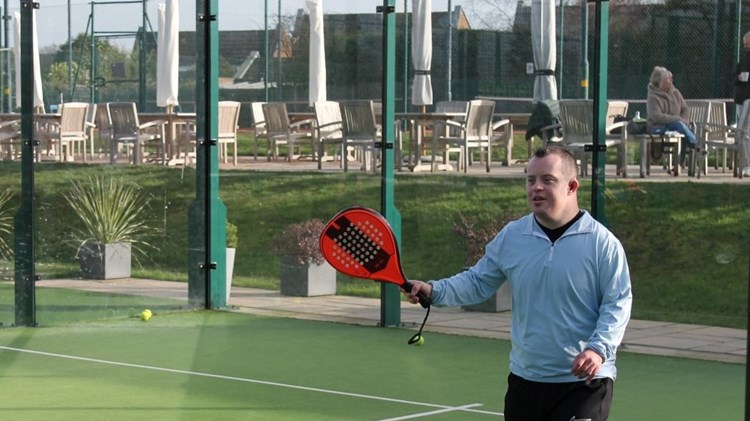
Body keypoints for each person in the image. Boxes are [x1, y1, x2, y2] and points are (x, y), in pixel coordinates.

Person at [404, 146, 632, 421]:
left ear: (572, 186)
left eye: (547, 180)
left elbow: (617, 302)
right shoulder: (513, 236)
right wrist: (434, 291)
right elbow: (477, 281)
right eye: (530, 179)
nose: (536, 187)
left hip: (586, 383)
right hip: (527, 379)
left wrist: (598, 349)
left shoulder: (602, 243)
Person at [645, 66, 697, 167]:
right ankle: (696, 145)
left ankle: (678, 163)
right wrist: (677, 119)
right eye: (668, 79)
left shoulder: (676, 93)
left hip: (676, 126)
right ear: (660, 82)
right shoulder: (653, 97)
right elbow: (657, 117)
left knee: (680, 128)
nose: (671, 81)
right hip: (656, 127)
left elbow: (685, 109)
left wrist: (683, 121)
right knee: (679, 125)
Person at [733, 31, 750, 176]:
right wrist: (739, 78)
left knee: (745, 132)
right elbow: (735, 78)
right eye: (745, 44)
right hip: (740, 98)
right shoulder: (743, 60)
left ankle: (748, 165)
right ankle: (745, 164)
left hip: (748, 99)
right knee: (743, 132)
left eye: (748, 44)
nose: (746, 47)